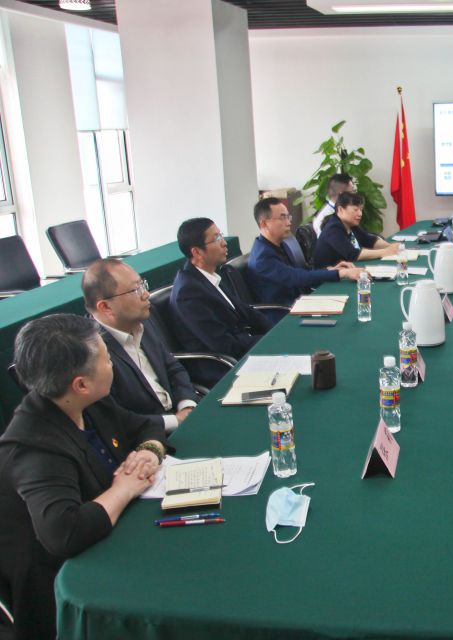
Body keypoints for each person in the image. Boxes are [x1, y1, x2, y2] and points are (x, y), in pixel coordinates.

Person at [0, 314, 166, 640]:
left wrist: (149, 451)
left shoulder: (87, 402)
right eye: (107, 359)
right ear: (81, 383)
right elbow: (64, 533)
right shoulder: (35, 447)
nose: (112, 363)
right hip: (65, 591)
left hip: (112, 538)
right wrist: (124, 488)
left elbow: (145, 426)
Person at [82, 259, 197, 435]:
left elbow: (172, 367)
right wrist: (176, 421)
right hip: (146, 438)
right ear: (105, 306)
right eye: (135, 290)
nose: (145, 294)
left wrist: (186, 405)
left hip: (181, 415)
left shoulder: (141, 320)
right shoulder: (91, 352)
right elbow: (115, 419)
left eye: (143, 285)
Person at [170, 217, 273, 386]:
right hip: (222, 366)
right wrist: (267, 340)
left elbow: (245, 311)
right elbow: (223, 344)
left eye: (221, 235)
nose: (224, 243)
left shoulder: (209, 275)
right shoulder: (188, 292)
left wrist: (274, 331)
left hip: (241, 350)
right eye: (216, 238)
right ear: (197, 252)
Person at [248, 197, 364, 322]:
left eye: (288, 217)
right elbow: (297, 277)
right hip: (284, 315)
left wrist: (331, 269)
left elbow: (302, 270)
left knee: (349, 305)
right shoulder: (262, 257)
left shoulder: (279, 244)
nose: (288, 222)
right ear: (264, 224)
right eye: (282, 218)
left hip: (300, 303)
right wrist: (341, 273)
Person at [312, 192, 401, 269]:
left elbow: (369, 240)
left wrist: (391, 246)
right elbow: (352, 255)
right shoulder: (333, 229)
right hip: (328, 277)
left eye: (360, 210)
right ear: (340, 210)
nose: (360, 214)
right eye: (355, 210)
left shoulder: (350, 224)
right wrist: (385, 252)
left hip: (347, 269)